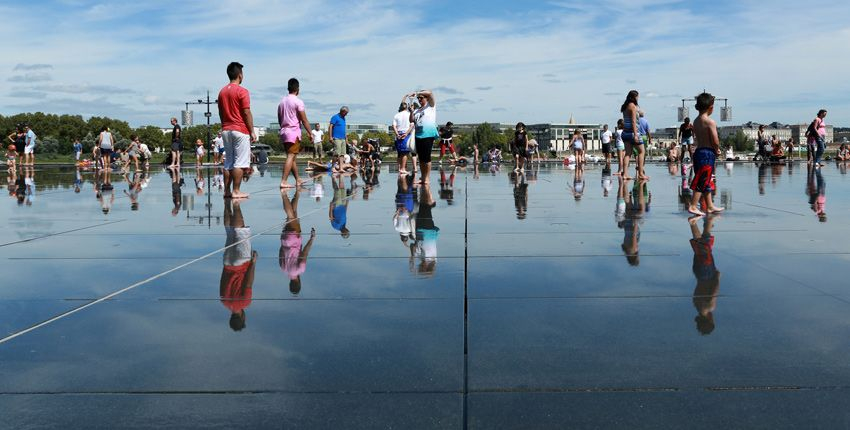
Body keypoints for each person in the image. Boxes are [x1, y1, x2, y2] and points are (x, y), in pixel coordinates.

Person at [217, 61, 256, 199]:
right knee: (240, 162)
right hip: (239, 129)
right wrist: (251, 130)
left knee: (229, 161)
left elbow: (221, 112)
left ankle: (227, 191)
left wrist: (224, 125)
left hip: (226, 129)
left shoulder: (222, 92)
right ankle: (236, 191)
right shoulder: (242, 91)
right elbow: (246, 112)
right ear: (240, 75)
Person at [220, 200, 257, 332]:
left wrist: (253, 263)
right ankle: (226, 202)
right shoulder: (224, 301)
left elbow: (248, 283)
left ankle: (235, 203)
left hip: (241, 264)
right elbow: (223, 278)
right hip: (227, 263)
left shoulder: (244, 303)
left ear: (242, 318)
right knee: (230, 232)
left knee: (241, 232)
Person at [687, 92, 725, 216]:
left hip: (698, 152)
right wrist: (717, 149)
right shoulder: (710, 122)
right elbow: (715, 140)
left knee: (706, 179)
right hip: (707, 153)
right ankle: (693, 205)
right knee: (702, 180)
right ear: (711, 107)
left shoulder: (696, 121)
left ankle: (709, 206)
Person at [279, 189, 316, 295]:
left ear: (299, 283)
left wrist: (312, 239)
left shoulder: (300, 270)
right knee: (294, 214)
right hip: (285, 240)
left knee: (291, 216)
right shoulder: (283, 269)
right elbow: (280, 252)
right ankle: (297, 192)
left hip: (294, 240)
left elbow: (305, 253)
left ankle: (283, 194)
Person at [277, 78, 313, 189]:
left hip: (284, 131)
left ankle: (298, 179)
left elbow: (279, 119)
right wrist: (310, 133)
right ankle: (283, 181)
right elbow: (304, 120)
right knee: (291, 156)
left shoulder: (282, 102)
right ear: (297, 89)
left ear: (288, 88)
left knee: (291, 157)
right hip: (293, 132)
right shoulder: (298, 101)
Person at [689, 214, 721, 335]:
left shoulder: (709, 307)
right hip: (698, 273)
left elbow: (714, 291)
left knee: (706, 244)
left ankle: (708, 218)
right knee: (699, 248)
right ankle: (694, 224)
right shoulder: (696, 305)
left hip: (707, 274)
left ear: (709, 320)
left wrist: (717, 277)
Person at [409, 90, 438, 185]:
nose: (419, 100)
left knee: (427, 157)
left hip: (428, 134)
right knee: (421, 158)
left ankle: (427, 178)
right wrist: (412, 111)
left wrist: (416, 93)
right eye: (418, 98)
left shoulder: (430, 106)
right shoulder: (417, 110)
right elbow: (411, 120)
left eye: (421, 98)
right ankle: (423, 177)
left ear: (426, 99)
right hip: (418, 135)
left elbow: (430, 93)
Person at [620, 90, 645, 180]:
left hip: (625, 133)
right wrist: (635, 135)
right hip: (632, 132)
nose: (638, 98)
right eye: (637, 96)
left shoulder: (625, 106)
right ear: (634, 97)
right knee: (641, 152)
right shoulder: (633, 106)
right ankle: (641, 174)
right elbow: (634, 121)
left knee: (628, 154)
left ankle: (625, 174)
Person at [393, 101, 414, 176]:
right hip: (406, 134)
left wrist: (397, 134)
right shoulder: (409, 114)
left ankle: (400, 168)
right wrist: (406, 134)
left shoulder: (396, 115)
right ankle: (403, 169)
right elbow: (411, 125)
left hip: (399, 134)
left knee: (400, 153)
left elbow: (394, 126)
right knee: (405, 152)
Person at [638, 110, 651, 174]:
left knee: (637, 152)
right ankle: (642, 165)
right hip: (644, 137)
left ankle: (638, 165)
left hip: (637, 137)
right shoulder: (646, 121)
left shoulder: (636, 121)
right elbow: (648, 131)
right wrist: (650, 139)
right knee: (643, 152)